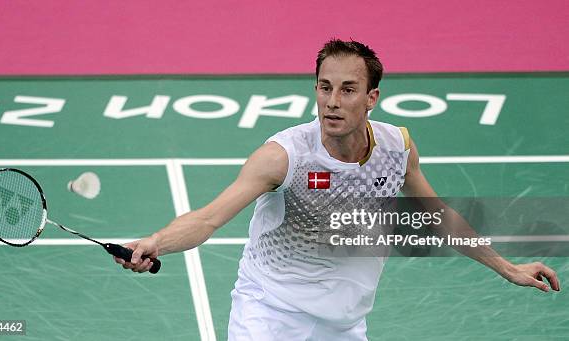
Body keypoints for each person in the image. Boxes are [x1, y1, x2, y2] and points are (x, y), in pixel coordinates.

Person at [114, 39, 560, 340]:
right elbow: (209, 218)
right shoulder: (283, 156)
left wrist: (507, 267)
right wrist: (157, 242)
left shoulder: (396, 148)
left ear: (372, 97)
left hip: (345, 324)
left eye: (348, 90)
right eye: (325, 88)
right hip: (270, 315)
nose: (332, 101)